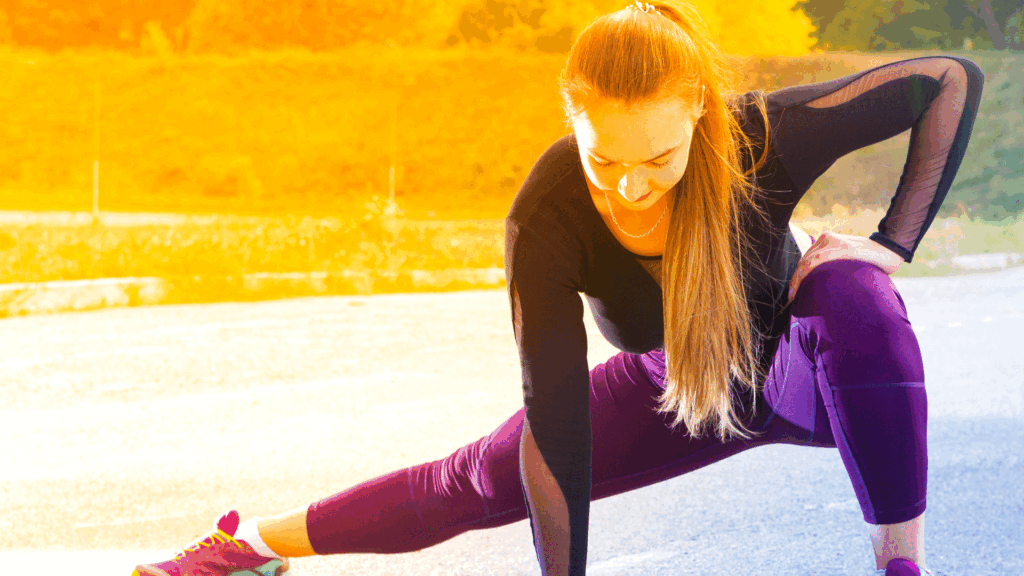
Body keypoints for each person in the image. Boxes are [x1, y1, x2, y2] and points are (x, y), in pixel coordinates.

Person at [132, 1, 984, 575]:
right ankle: (250, 544)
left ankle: (900, 564)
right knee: (472, 480)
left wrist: (890, 246)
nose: (632, 186)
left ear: (696, 109)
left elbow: (947, 80)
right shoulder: (548, 215)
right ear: (570, 117)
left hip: (808, 376)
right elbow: (557, 431)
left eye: (657, 160)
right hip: (675, 383)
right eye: (603, 159)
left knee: (853, 293)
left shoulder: (762, 136)